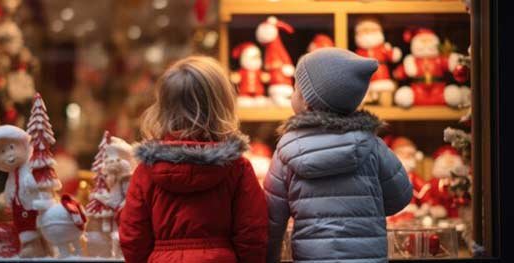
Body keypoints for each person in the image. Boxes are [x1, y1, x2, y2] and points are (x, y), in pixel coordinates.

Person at [265, 48, 413, 263]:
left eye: (295, 88)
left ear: (307, 102)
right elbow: (400, 197)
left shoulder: (287, 151)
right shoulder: (372, 145)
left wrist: (271, 256)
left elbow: (272, 218)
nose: (291, 94)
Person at [119, 56, 268, 263]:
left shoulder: (146, 171)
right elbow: (253, 234)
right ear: (223, 105)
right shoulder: (237, 168)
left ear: (163, 108)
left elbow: (132, 236)